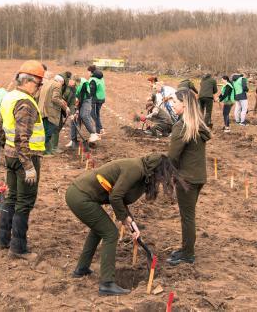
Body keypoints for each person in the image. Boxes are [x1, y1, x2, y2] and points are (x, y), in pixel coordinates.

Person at [66, 153, 183, 295]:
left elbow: (121, 199)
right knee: (110, 233)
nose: (160, 180)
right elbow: (115, 196)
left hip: (82, 195)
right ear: (156, 170)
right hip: (80, 196)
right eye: (161, 175)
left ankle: (82, 269)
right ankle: (107, 284)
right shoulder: (135, 169)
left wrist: (132, 224)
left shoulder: (141, 172)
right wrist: (123, 218)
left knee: (99, 229)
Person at [0, 61, 45, 259]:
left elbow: (0, 129)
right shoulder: (25, 102)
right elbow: (22, 137)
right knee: (24, 202)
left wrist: (6, 151)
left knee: (11, 198)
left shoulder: (9, 97)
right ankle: (18, 248)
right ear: (30, 82)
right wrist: (29, 167)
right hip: (27, 157)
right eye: (39, 84)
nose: (39, 88)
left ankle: (2, 239)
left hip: (10, 156)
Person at [166, 89, 211, 266]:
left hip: (186, 178)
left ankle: (188, 254)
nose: (173, 104)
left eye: (175, 102)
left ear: (184, 104)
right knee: (188, 215)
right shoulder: (197, 124)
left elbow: (172, 157)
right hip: (198, 177)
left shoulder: (182, 126)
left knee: (187, 217)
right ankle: (185, 249)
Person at [66, 75, 99, 148]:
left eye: (72, 83)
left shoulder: (83, 84)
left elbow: (79, 99)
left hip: (86, 100)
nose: (70, 84)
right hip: (77, 101)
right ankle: (73, 140)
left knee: (83, 115)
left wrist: (77, 110)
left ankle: (93, 134)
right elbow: (72, 98)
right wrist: (73, 112)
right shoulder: (70, 85)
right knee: (73, 119)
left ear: (76, 82)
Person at [39, 74, 69, 155]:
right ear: (61, 82)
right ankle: (41, 151)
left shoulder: (47, 83)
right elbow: (55, 98)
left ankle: (46, 151)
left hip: (42, 110)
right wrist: (64, 107)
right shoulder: (57, 85)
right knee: (48, 133)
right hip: (50, 112)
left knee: (44, 131)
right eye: (62, 84)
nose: (62, 85)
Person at [88, 66, 106, 135]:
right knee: (97, 114)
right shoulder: (101, 77)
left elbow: (91, 92)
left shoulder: (93, 79)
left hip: (96, 99)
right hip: (102, 98)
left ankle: (99, 130)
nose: (87, 73)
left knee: (93, 114)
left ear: (91, 72)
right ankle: (100, 129)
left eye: (88, 71)